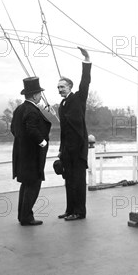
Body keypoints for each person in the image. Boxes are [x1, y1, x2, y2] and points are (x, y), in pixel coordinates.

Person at [11, 77, 51, 226]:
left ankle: (22, 216)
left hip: (21, 154)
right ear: (34, 95)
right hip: (32, 156)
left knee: (25, 185)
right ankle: (27, 217)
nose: (40, 96)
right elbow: (32, 129)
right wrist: (43, 142)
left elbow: (13, 129)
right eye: (39, 93)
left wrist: (22, 142)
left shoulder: (19, 109)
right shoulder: (32, 110)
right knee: (34, 184)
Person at [57, 48, 91, 221]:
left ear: (70, 87)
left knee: (78, 182)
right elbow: (64, 131)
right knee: (68, 181)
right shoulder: (61, 105)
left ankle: (79, 212)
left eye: (62, 87)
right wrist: (61, 150)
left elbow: (85, 82)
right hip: (67, 151)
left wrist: (86, 59)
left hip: (78, 150)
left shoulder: (79, 98)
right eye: (58, 88)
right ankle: (70, 210)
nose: (60, 90)